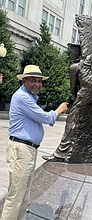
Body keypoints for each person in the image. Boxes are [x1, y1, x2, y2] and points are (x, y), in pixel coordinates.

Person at [0, 65, 68, 220]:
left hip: (27, 150)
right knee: (16, 194)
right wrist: (59, 109)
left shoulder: (29, 97)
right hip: (21, 150)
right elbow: (45, 117)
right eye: (33, 81)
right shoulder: (22, 97)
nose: (37, 84)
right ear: (24, 81)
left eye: (39, 81)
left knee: (24, 193)